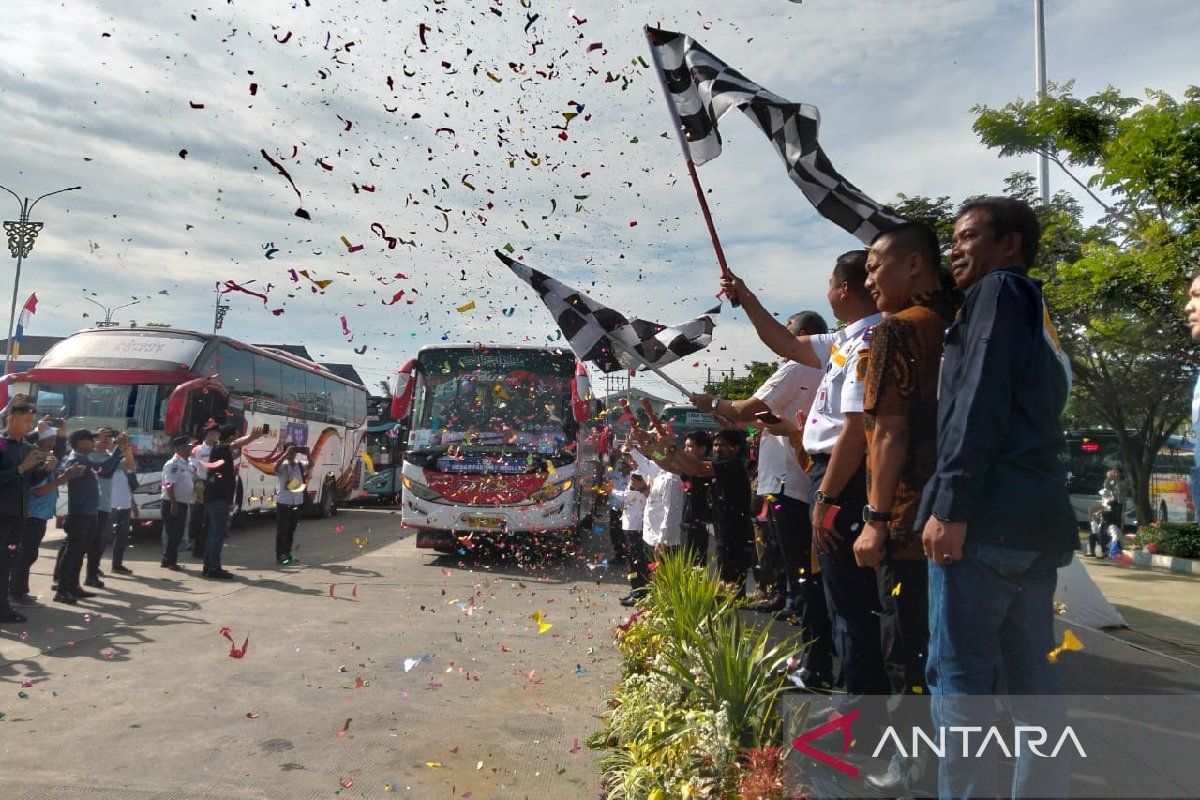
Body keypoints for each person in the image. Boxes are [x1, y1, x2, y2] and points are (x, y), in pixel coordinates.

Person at [918, 197, 1078, 799]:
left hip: (982, 525)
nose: (954, 251)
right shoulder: (1034, 310)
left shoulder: (997, 292)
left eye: (966, 238)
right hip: (1035, 529)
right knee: (1034, 689)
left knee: (959, 684)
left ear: (1009, 244)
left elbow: (975, 402)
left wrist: (949, 505)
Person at [722, 252, 888, 709]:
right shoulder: (843, 340)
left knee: (849, 602)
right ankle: (847, 687)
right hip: (825, 477)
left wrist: (826, 496)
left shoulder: (870, 340)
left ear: (844, 290)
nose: (827, 288)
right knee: (835, 596)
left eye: (830, 280)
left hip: (841, 479)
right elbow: (785, 343)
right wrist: (747, 297)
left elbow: (854, 431)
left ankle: (859, 707)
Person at [850, 220, 955, 796]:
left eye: (875, 265)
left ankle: (912, 770)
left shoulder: (899, 331)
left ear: (914, 265)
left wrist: (874, 520)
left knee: (904, 652)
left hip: (907, 523)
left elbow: (887, 431)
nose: (869, 277)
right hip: (952, 515)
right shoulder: (954, 324)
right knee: (942, 653)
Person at [691, 310, 828, 620]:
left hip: (786, 476)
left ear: (803, 332)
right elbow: (768, 419)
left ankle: (798, 602)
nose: (782, 334)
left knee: (791, 548)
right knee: (782, 546)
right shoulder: (823, 368)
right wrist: (739, 422)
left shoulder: (795, 367)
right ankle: (787, 595)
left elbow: (754, 406)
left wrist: (713, 402)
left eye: (788, 328)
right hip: (795, 474)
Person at [662, 428, 756, 595]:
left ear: (734, 448)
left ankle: (732, 605)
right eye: (715, 445)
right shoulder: (714, 465)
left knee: (730, 575)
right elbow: (672, 466)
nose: (717, 449)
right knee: (720, 570)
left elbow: (698, 468)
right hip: (718, 527)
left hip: (735, 529)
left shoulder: (732, 465)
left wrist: (673, 449)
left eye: (722, 445)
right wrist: (650, 449)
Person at [10, 428, 83, 606]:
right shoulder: (35, 459)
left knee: (29, 555)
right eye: (50, 439)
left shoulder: (48, 457)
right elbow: (40, 490)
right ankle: (16, 594)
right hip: (31, 515)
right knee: (25, 556)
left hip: (39, 516)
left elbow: (55, 463)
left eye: (56, 439)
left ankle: (19, 591)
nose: (54, 443)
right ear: (41, 441)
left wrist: (65, 474)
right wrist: (63, 478)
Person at [58, 429, 127, 604]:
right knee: (73, 552)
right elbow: (103, 470)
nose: (92, 443)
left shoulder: (84, 459)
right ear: (80, 442)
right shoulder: (76, 459)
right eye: (89, 440)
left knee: (79, 552)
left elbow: (105, 471)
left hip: (89, 512)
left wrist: (118, 452)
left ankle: (73, 587)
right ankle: (62, 590)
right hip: (79, 513)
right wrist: (118, 450)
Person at [0, 403, 55, 622]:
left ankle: (3, 607)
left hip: (19, 513)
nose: (29, 425)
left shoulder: (26, 447)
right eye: (25, 421)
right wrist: (21, 468)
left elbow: (30, 480)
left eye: (31, 421)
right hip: (2, 513)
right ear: (11, 418)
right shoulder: (2, 443)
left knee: (8, 561)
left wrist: (45, 470)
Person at [203, 423, 266, 579]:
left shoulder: (221, 451)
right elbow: (235, 444)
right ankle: (213, 567)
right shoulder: (221, 448)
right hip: (218, 499)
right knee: (218, 532)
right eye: (236, 435)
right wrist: (251, 437)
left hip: (217, 497)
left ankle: (209, 565)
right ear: (231, 437)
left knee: (214, 533)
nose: (237, 439)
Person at [87, 426, 136, 586]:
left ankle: (117, 564)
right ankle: (94, 567)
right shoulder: (93, 456)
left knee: (122, 537)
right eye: (104, 436)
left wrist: (126, 447)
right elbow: (106, 468)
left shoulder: (112, 455)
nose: (108, 439)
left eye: (110, 436)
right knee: (102, 538)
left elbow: (129, 465)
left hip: (124, 502)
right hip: (107, 504)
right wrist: (118, 450)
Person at [625, 432, 686, 562]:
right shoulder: (660, 469)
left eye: (653, 443)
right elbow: (647, 462)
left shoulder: (671, 478)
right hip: (652, 538)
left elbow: (671, 514)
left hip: (662, 543)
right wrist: (632, 448)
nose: (649, 448)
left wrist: (662, 541)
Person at [613, 472, 650, 606]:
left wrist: (610, 490)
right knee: (632, 562)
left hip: (636, 527)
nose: (632, 481)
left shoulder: (641, 481)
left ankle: (639, 593)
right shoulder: (636, 478)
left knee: (637, 562)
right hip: (630, 526)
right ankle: (635, 590)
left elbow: (626, 496)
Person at [679, 431, 714, 564]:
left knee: (697, 564)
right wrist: (655, 452)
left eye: (689, 446)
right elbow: (669, 465)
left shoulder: (708, 467)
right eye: (685, 446)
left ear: (702, 449)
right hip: (688, 522)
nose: (685, 450)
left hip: (704, 524)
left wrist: (673, 452)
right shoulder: (687, 467)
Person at [160, 435, 195, 571]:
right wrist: (174, 504)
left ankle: (168, 559)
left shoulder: (185, 463)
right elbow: (169, 485)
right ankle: (169, 560)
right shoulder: (173, 464)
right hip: (172, 503)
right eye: (187, 447)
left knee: (178, 533)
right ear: (180, 448)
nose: (189, 450)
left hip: (182, 503)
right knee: (173, 533)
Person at [189, 422, 220, 559]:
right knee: (197, 517)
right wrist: (197, 483)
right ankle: (196, 546)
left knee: (210, 518)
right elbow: (192, 468)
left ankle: (206, 547)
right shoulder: (198, 450)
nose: (217, 436)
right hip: (201, 486)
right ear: (209, 434)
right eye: (216, 433)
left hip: (214, 486)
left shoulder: (218, 450)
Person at [275, 444, 305, 564]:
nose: (292, 453)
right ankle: (280, 555)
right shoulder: (283, 464)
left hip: (297, 501)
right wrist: (285, 454)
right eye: (290, 451)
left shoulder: (299, 464)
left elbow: (312, 464)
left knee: (291, 529)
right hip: (284, 501)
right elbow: (275, 467)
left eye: (294, 451)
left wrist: (307, 453)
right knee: (282, 530)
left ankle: (287, 553)